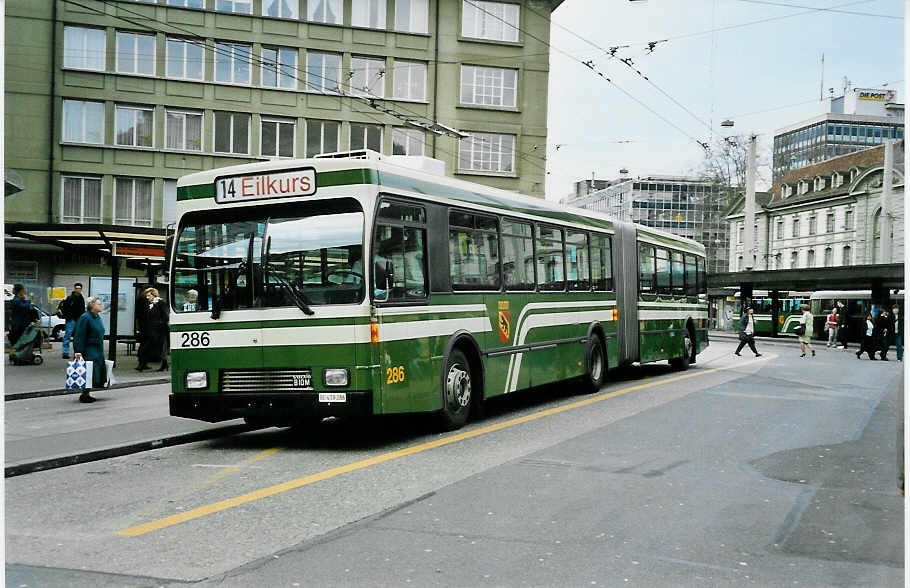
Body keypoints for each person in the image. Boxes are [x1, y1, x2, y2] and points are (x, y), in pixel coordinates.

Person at [73, 296, 106, 403]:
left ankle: (87, 392)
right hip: (89, 348)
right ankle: (85, 394)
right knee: (89, 370)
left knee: (94, 369)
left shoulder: (97, 317)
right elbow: (80, 335)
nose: (101, 305)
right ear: (92, 306)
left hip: (97, 348)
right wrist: (78, 351)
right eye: (98, 304)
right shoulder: (85, 317)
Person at [138, 288, 169, 372]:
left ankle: (163, 363)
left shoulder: (161, 303)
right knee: (152, 347)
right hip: (152, 330)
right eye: (146, 296)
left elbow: (166, 316)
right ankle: (144, 364)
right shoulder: (150, 304)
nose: (147, 297)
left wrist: (159, 323)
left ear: (154, 295)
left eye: (149, 295)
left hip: (159, 330)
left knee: (159, 347)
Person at [60, 282, 85, 359]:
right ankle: (65, 352)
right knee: (68, 335)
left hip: (77, 320)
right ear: (75, 289)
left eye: (79, 288)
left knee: (76, 337)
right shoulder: (70, 298)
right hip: (71, 320)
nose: (78, 290)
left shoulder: (81, 298)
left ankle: (76, 353)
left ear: (81, 289)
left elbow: (82, 310)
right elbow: (65, 308)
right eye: (77, 288)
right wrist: (68, 317)